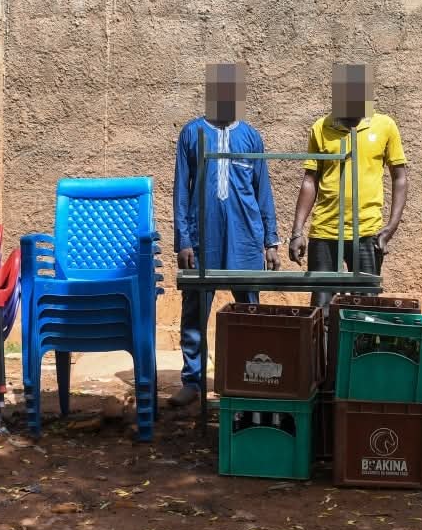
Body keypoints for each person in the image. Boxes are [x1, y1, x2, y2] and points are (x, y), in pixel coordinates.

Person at [172, 62, 280, 407]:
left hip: (247, 239)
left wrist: (270, 242)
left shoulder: (251, 136)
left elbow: (263, 191)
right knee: (194, 312)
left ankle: (248, 378)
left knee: (249, 312)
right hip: (203, 239)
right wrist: (184, 239)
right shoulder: (192, 134)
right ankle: (192, 381)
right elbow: (181, 191)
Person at [289, 63, 408, 310]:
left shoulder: (384, 126)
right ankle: (322, 350)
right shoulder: (321, 127)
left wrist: (391, 227)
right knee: (321, 307)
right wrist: (297, 231)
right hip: (325, 231)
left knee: (364, 308)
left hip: (366, 232)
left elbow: (400, 177)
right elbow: (310, 180)